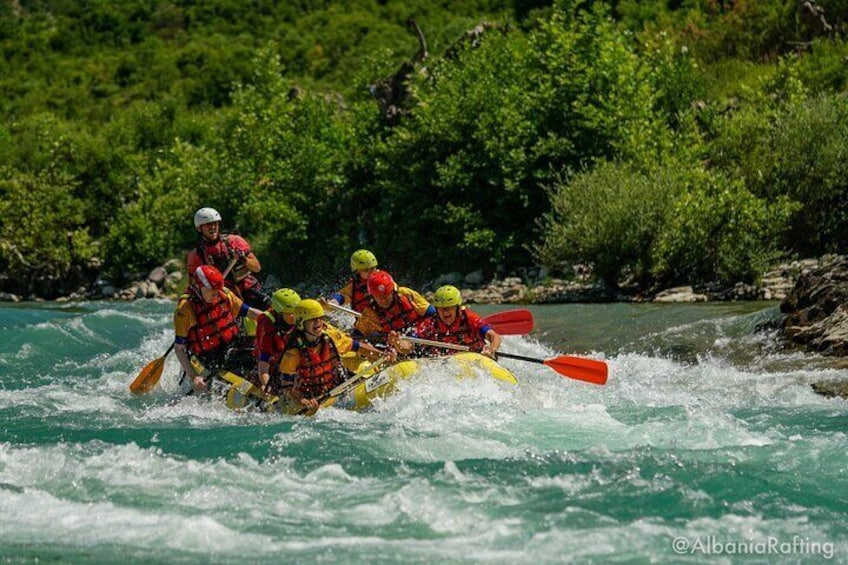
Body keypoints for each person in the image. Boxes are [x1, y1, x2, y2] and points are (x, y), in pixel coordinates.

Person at [278, 299, 390, 411]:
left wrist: (383, 355)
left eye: (320, 318)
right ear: (301, 323)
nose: (318, 322)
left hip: (336, 387)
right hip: (310, 397)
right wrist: (301, 400)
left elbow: (356, 346)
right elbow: (286, 386)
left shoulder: (330, 336)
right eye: (312, 319)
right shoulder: (293, 353)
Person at [174, 265, 262, 394]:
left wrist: (271, 319)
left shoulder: (224, 293)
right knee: (239, 364)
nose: (215, 293)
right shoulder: (185, 309)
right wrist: (194, 376)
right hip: (209, 355)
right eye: (211, 290)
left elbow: (250, 312)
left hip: (233, 343)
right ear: (199, 286)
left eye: (217, 289)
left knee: (261, 352)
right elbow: (179, 348)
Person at [186, 207, 270, 311]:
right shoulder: (196, 256)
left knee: (270, 313)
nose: (213, 227)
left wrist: (244, 259)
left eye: (215, 224)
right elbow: (193, 286)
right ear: (199, 228)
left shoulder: (235, 241)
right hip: (226, 298)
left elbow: (257, 268)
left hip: (249, 290)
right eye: (208, 224)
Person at [393, 285, 502, 359]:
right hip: (447, 364)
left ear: (458, 308)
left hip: (475, 358)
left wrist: (492, 349)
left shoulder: (469, 318)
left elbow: (494, 336)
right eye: (441, 308)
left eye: (449, 308)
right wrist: (398, 345)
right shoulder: (430, 324)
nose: (445, 313)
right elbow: (409, 346)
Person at [255, 288, 300, 395]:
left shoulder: (297, 318)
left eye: (295, 312)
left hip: (290, 361)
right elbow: (263, 362)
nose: (294, 316)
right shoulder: (268, 325)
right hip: (272, 365)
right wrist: (265, 384)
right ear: (279, 313)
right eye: (290, 313)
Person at [362, 270, 435, 336]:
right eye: (379, 298)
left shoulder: (406, 294)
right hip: (392, 345)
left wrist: (419, 332)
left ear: (393, 291)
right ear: (373, 296)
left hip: (418, 334)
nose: (383, 300)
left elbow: (432, 313)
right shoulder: (370, 310)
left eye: (386, 296)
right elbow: (359, 334)